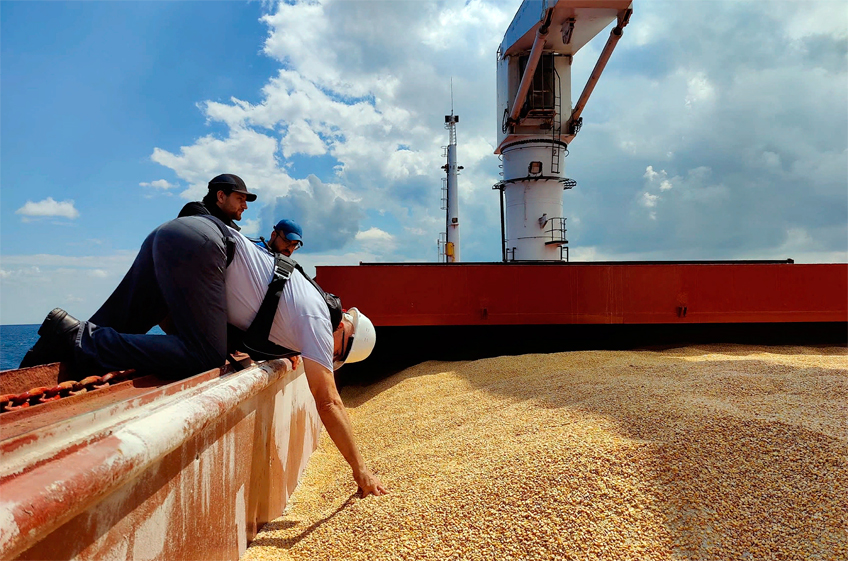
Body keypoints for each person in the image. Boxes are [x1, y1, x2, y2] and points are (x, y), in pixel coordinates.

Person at [19, 214, 386, 497]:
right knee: (203, 355)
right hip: (205, 247)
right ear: (344, 335)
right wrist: (361, 470)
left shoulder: (304, 299)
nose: (328, 358)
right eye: (336, 356)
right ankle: (74, 334)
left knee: (120, 322)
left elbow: (258, 314)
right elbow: (329, 403)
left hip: (178, 234)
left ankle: (55, 347)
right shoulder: (320, 321)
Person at [178, 173, 256, 230]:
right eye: (240, 199)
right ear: (221, 196)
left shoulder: (228, 226)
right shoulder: (195, 214)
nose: (245, 206)